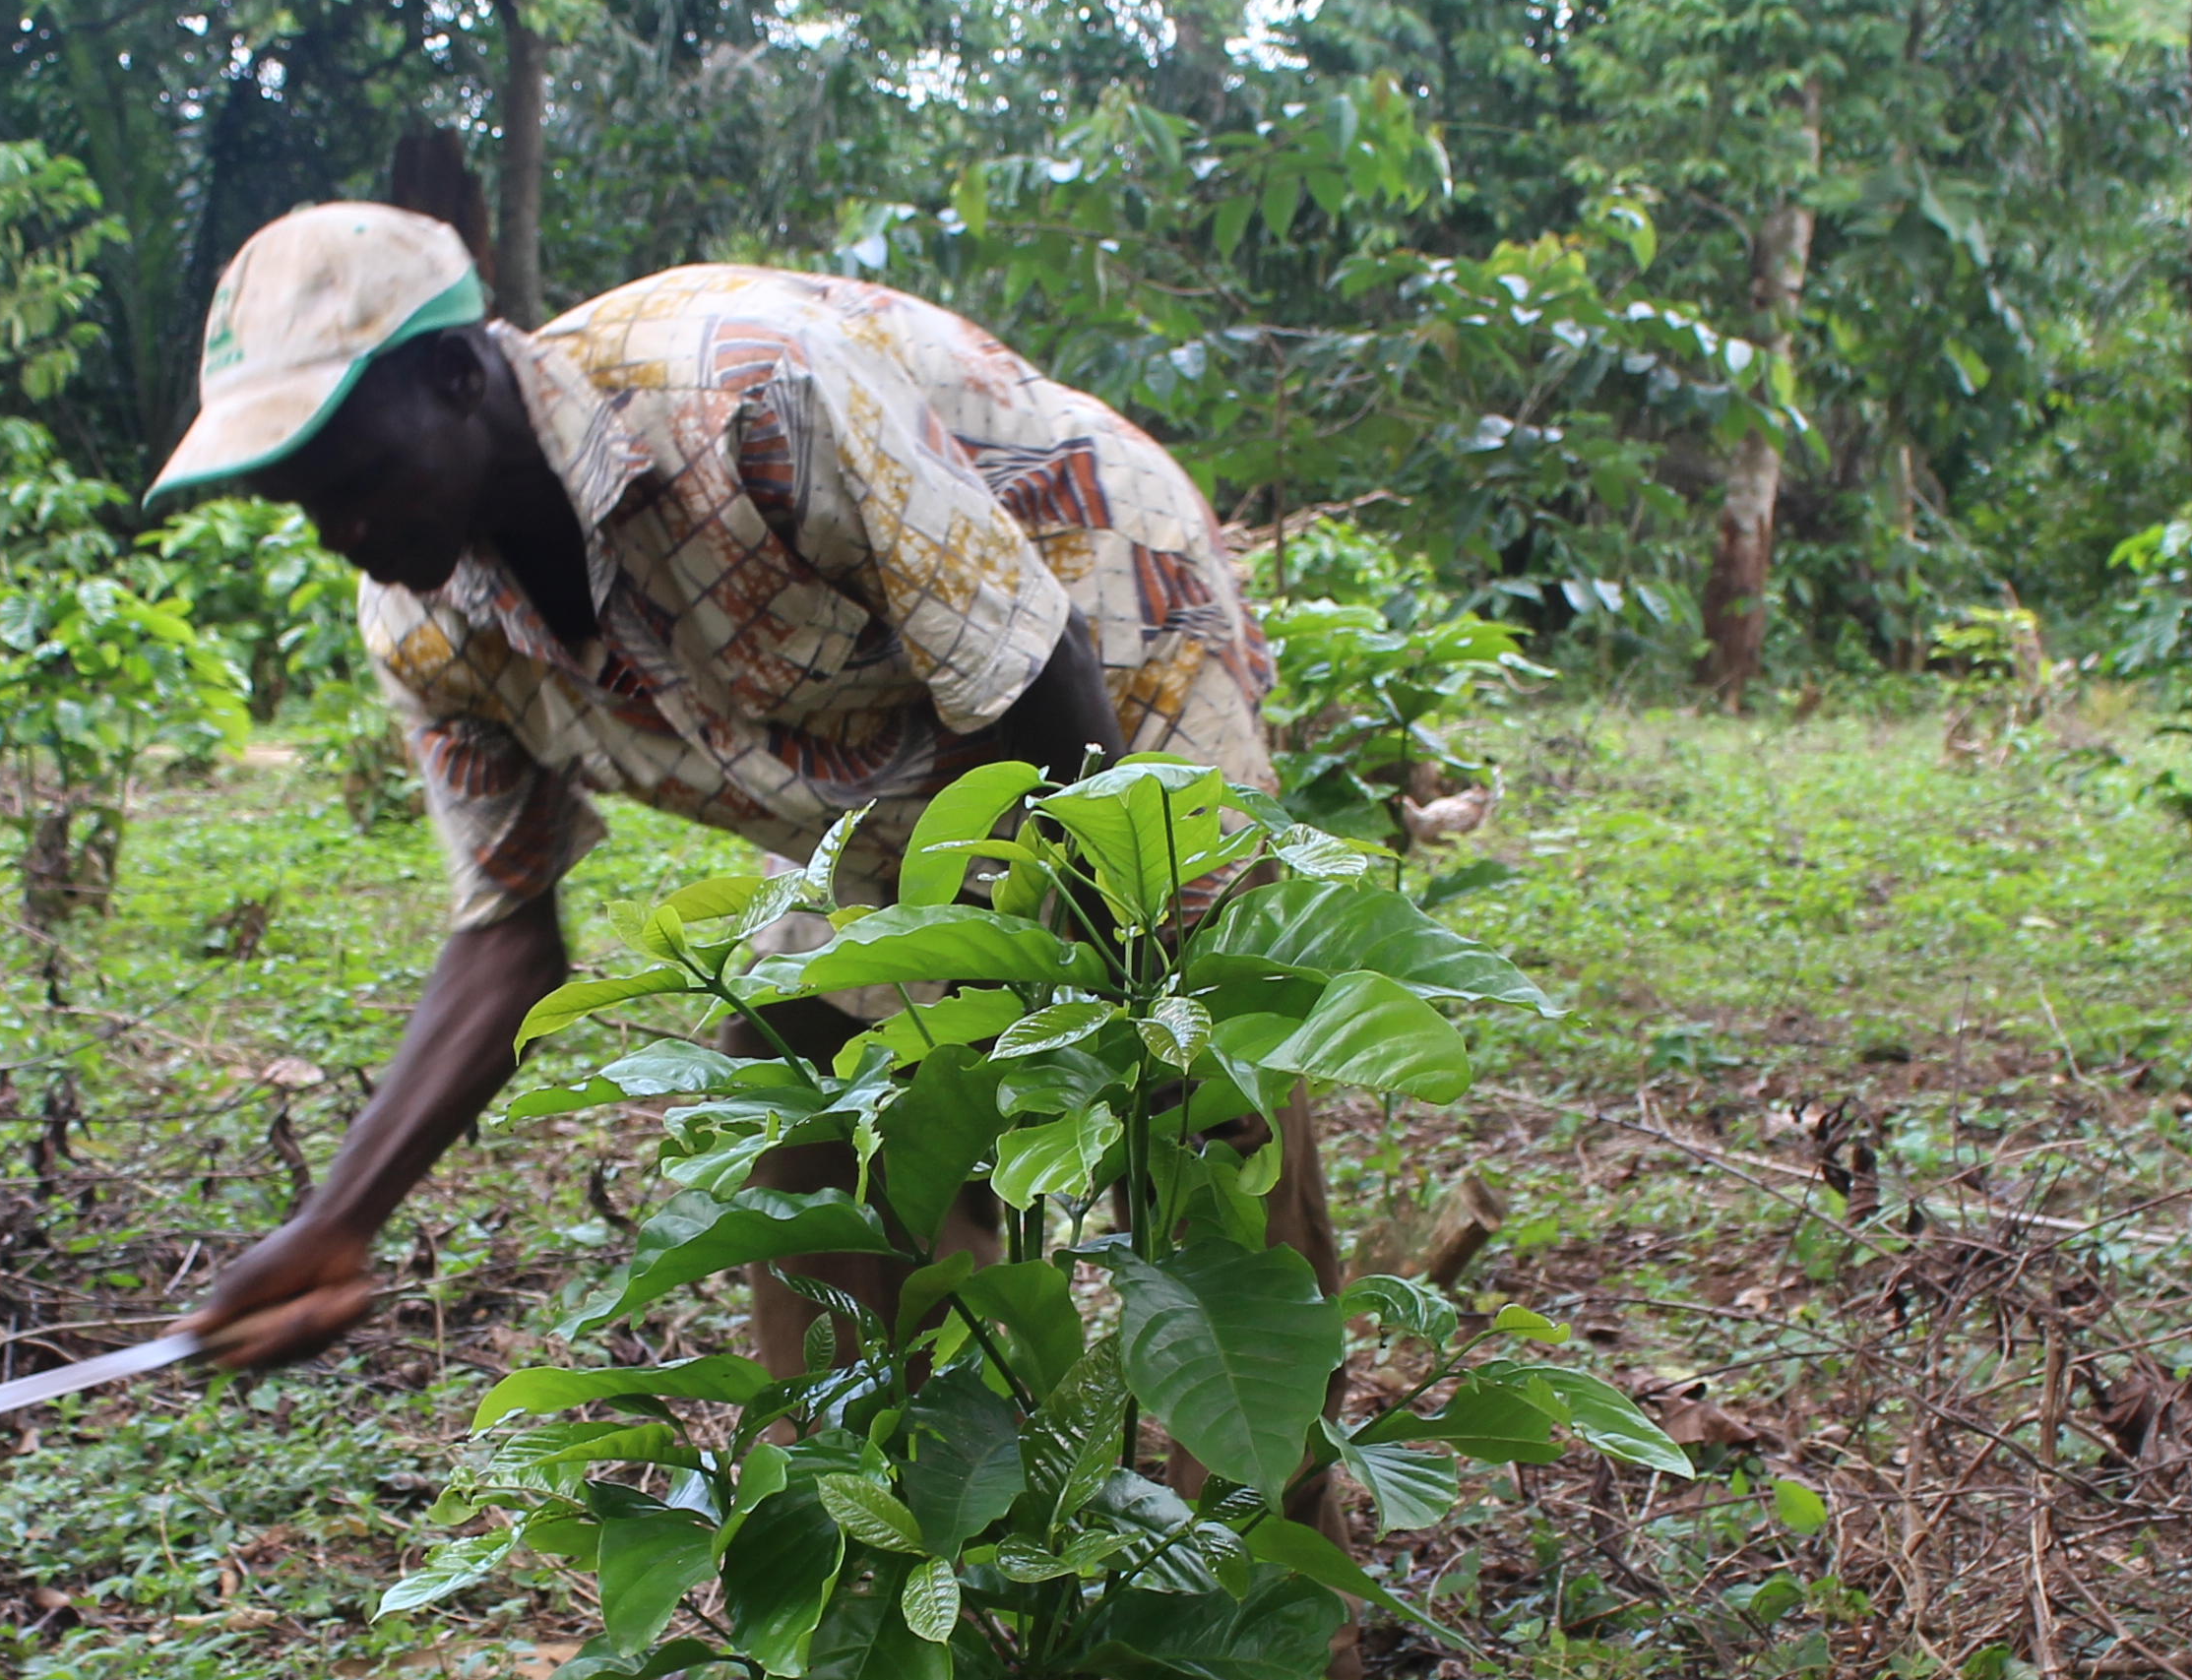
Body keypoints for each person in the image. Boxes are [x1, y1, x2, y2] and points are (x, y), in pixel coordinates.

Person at [159, 182, 1332, 1374]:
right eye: (301, 498)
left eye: (353, 473)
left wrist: (977, 1005)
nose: (338, 528)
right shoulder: (422, 624)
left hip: (1101, 639)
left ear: (460, 377)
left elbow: (1040, 693)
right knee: (815, 1122)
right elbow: (505, 936)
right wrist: (337, 1223)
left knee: (1197, 1116)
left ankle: (1260, 1527)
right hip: (872, 763)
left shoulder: (749, 398)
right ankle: (909, 1520)